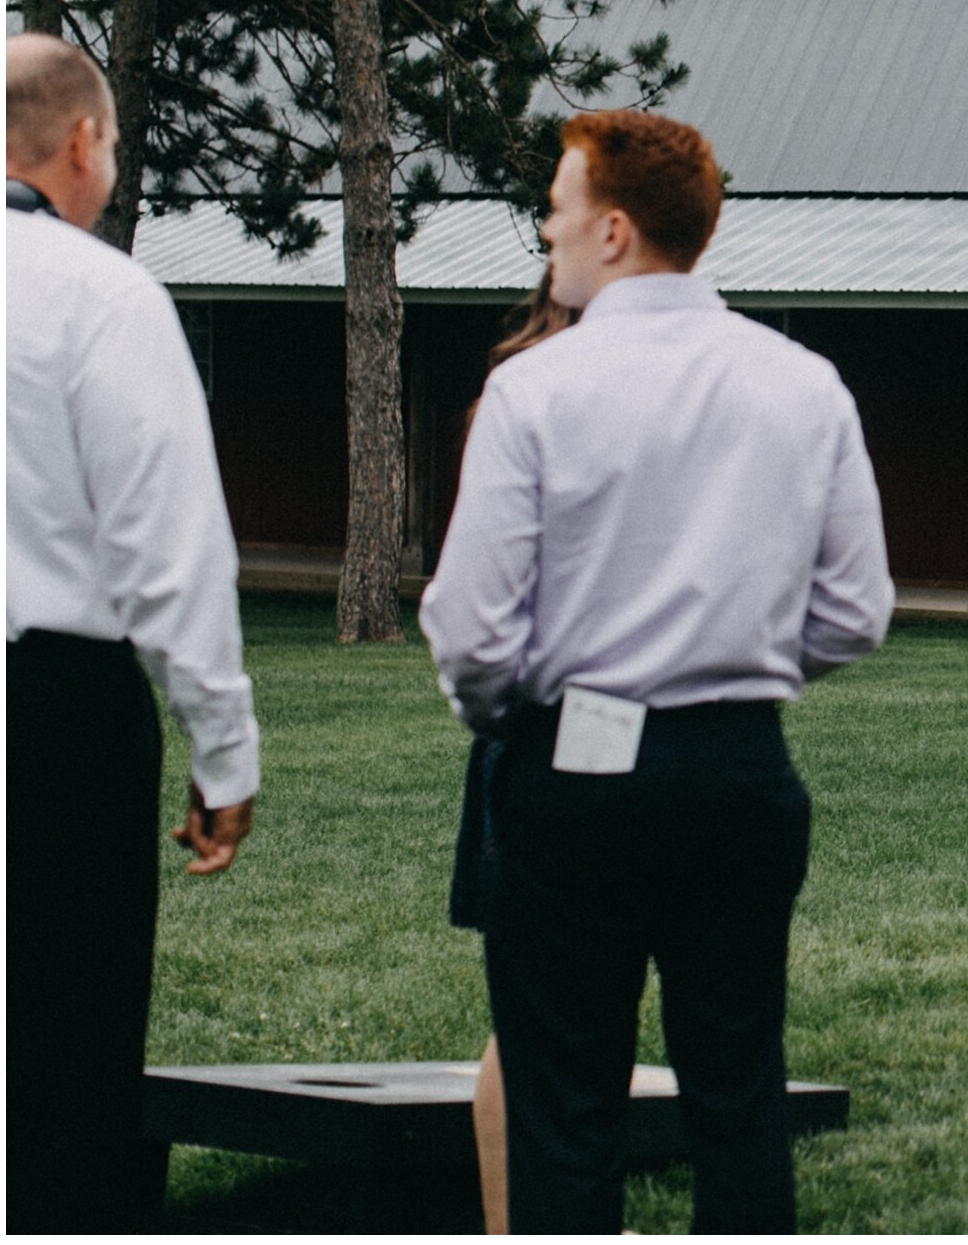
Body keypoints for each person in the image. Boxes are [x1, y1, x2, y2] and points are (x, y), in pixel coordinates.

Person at [421, 109, 893, 1232]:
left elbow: (472, 630)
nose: (548, 228)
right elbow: (855, 610)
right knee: (737, 1099)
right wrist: (744, 675)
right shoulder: (804, 384)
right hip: (737, 766)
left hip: (572, 769)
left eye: (559, 209)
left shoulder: (537, 392)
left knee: (564, 1113)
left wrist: (515, 714)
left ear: (616, 231)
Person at [6, 32, 261, 1230]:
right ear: (83, 141)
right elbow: (171, 547)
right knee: (63, 1023)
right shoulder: (102, 294)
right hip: (48, 708)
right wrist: (224, 755)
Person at [450, 276, 575, 1235]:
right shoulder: (522, 399)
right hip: (534, 728)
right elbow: (476, 605)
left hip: (547, 725)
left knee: (578, 1007)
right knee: (535, 1017)